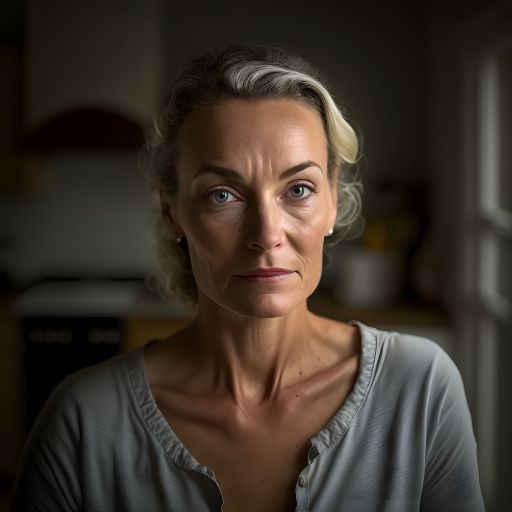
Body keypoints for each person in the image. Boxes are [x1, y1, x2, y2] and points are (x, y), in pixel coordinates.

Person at [11, 44, 485, 512]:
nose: (265, 235)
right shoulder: (82, 421)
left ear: (333, 201)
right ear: (172, 211)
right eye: (222, 195)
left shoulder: (419, 387)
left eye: (298, 189)